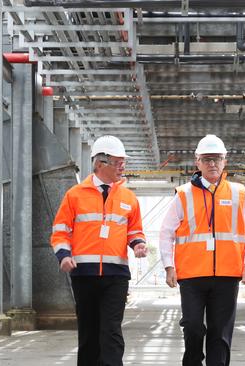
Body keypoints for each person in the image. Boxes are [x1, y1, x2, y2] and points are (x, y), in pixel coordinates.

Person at [159, 134, 245, 366]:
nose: (212, 164)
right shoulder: (183, 194)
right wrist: (168, 265)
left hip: (227, 275)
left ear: (225, 161)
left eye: (216, 159)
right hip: (192, 276)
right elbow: (166, 232)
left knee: (221, 334)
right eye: (207, 159)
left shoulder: (238, 193)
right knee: (193, 326)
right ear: (198, 162)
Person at [50, 135, 148, 366]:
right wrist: (64, 255)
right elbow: (60, 231)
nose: (122, 167)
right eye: (117, 162)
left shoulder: (129, 198)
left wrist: (139, 245)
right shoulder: (74, 195)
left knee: (112, 331)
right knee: (89, 332)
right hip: (84, 275)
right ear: (99, 163)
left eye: (124, 162)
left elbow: (135, 230)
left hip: (116, 276)